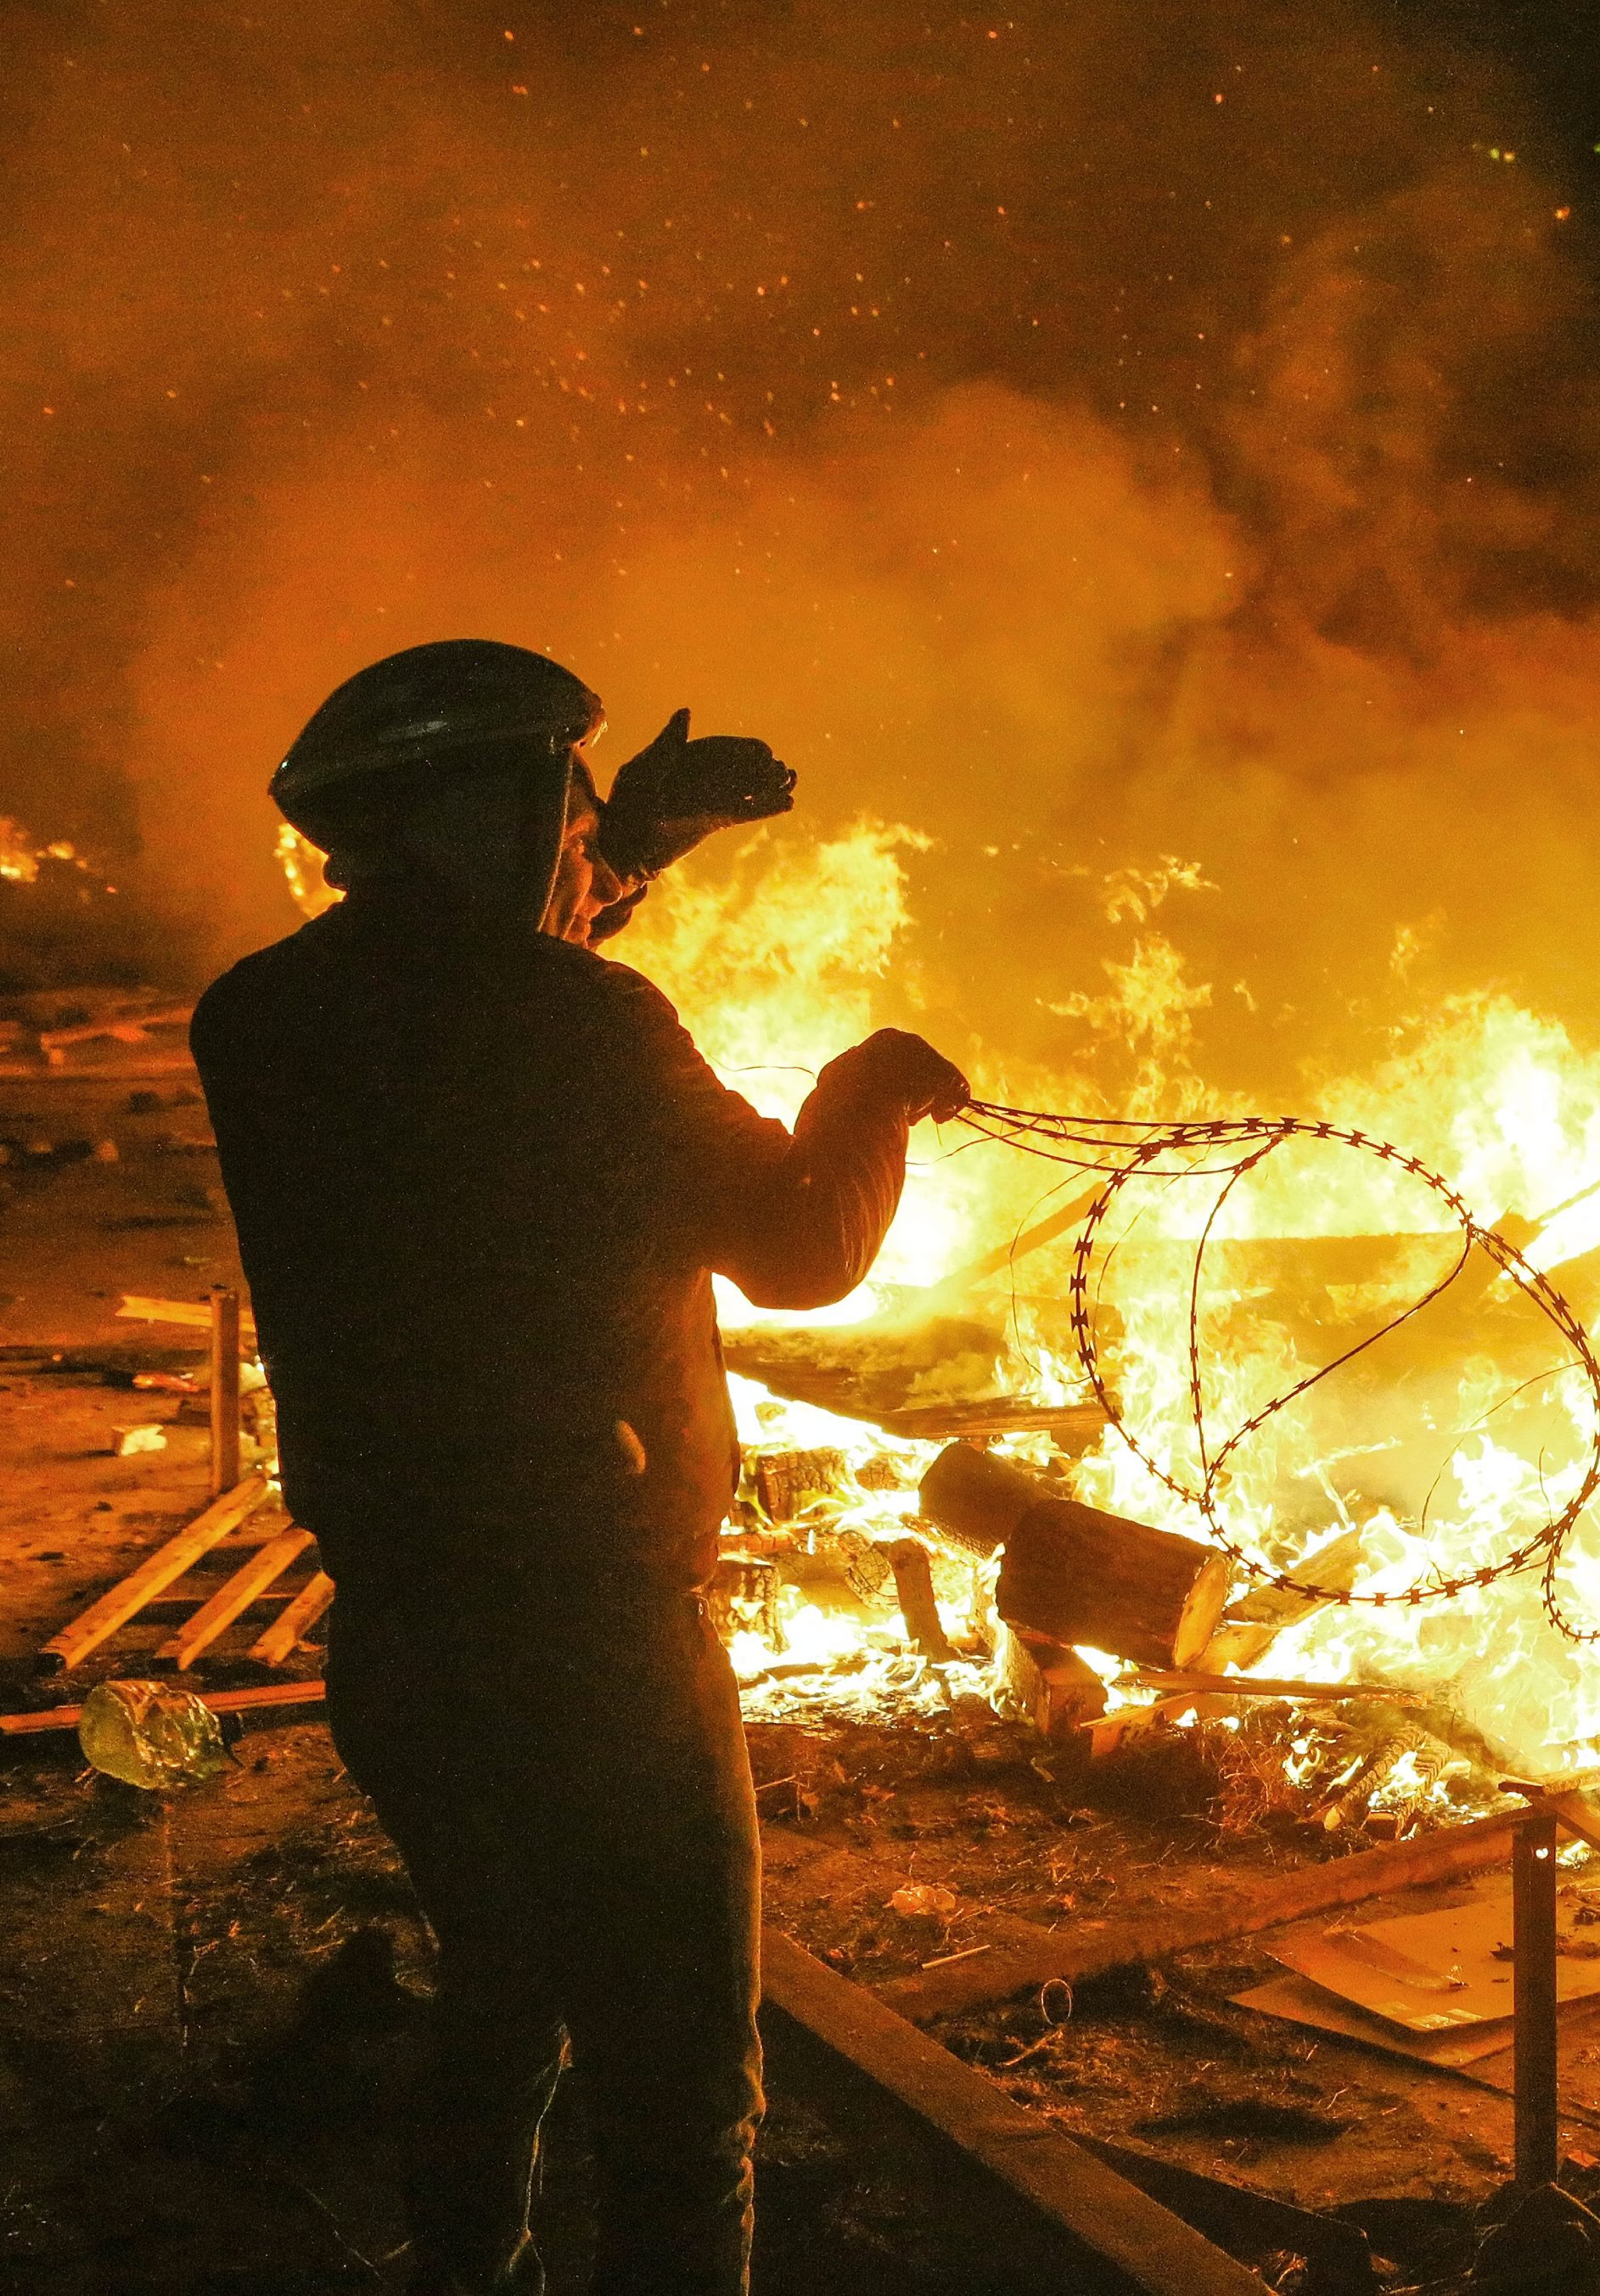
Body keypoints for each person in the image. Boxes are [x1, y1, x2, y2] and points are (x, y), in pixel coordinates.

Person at [193, 639, 969, 2294]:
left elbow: (451, 978)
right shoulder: (591, 1030)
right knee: (683, 2090)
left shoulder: (260, 1022)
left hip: (403, 1638)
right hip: (600, 1643)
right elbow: (803, 1248)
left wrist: (635, 852)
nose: (581, 841)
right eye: (569, 803)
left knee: (503, 1990)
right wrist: (871, 1082)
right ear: (502, 803)